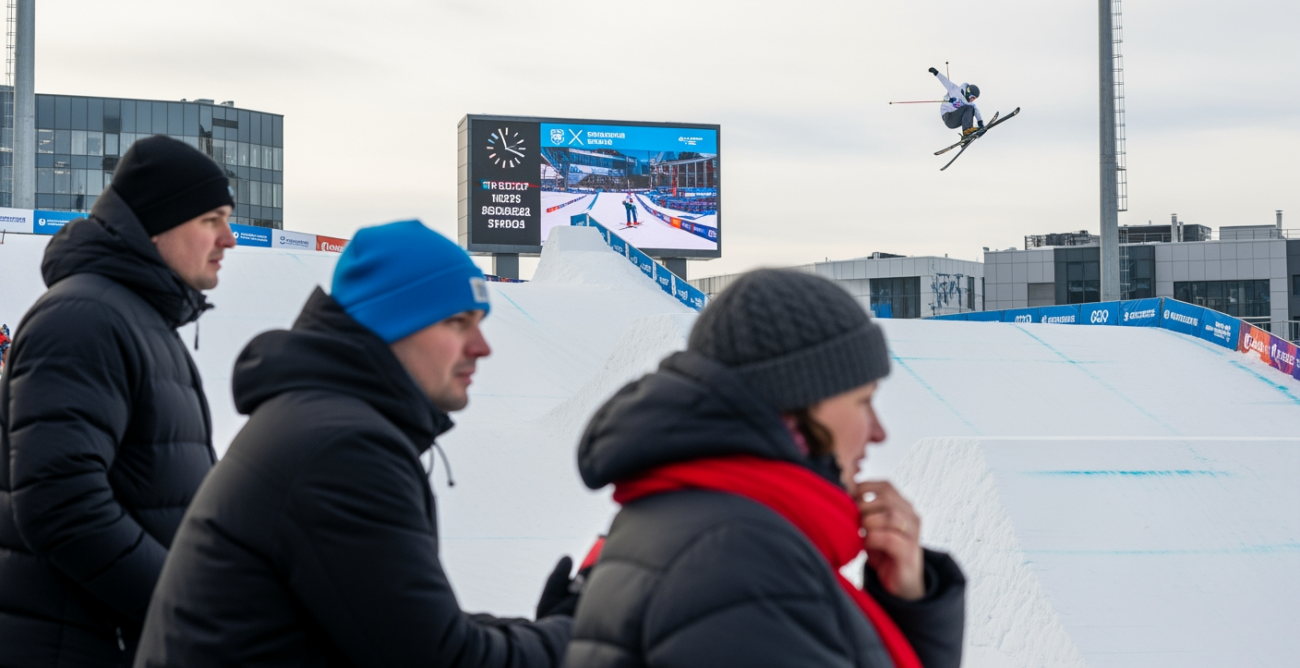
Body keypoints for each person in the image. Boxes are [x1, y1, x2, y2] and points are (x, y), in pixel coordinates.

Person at [135, 221, 578, 667]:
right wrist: (576, 635)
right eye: (457, 322)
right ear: (392, 324)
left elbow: (403, 623)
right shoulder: (341, 450)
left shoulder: (322, 423)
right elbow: (438, 658)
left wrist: (543, 631)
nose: (482, 347)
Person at [565, 269, 966, 668]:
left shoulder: (706, 526)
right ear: (797, 405)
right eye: (864, 400)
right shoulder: (740, 560)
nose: (878, 432)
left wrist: (908, 604)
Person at [0, 135, 237, 667]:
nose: (229, 239)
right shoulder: (84, 320)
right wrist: (185, 606)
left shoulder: (137, 318)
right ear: (156, 225)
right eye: (211, 220)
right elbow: (62, 505)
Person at [930, 66, 983, 137]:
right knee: (968, 107)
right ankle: (967, 130)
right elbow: (945, 81)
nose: (972, 100)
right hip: (948, 116)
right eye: (972, 97)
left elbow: (976, 111)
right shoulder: (955, 90)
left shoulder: (969, 104)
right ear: (968, 92)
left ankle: (967, 133)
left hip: (955, 122)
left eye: (975, 98)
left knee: (971, 108)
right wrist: (936, 73)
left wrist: (980, 122)